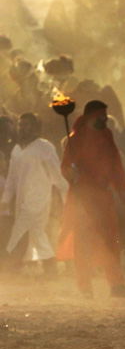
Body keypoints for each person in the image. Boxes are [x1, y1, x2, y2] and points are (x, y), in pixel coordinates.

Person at [57, 100, 125, 298]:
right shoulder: (75, 138)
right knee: (83, 241)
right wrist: (71, 174)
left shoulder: (107, 135)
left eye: (106, 115)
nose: (106, 119)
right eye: (102, 115)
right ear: (91, 117)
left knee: (110, 240)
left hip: (103, 195)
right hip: (82, 195)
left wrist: (122, 189)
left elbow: (115, 161)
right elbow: (65, 167)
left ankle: (117, 285)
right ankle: (85, 286)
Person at [0, 113, 68, 275]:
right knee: (37, 233)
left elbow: (57, 175)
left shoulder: (45, 147)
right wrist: (6, 199)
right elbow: (12, 178)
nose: (22, 128)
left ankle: (9, 266)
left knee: (19, 230)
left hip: (39, 199)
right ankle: (50, 268)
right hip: (21, 199)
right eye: (20, 125)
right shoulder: (17, 149)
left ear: (36, 128)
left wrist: (66, 197)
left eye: (27, 125)